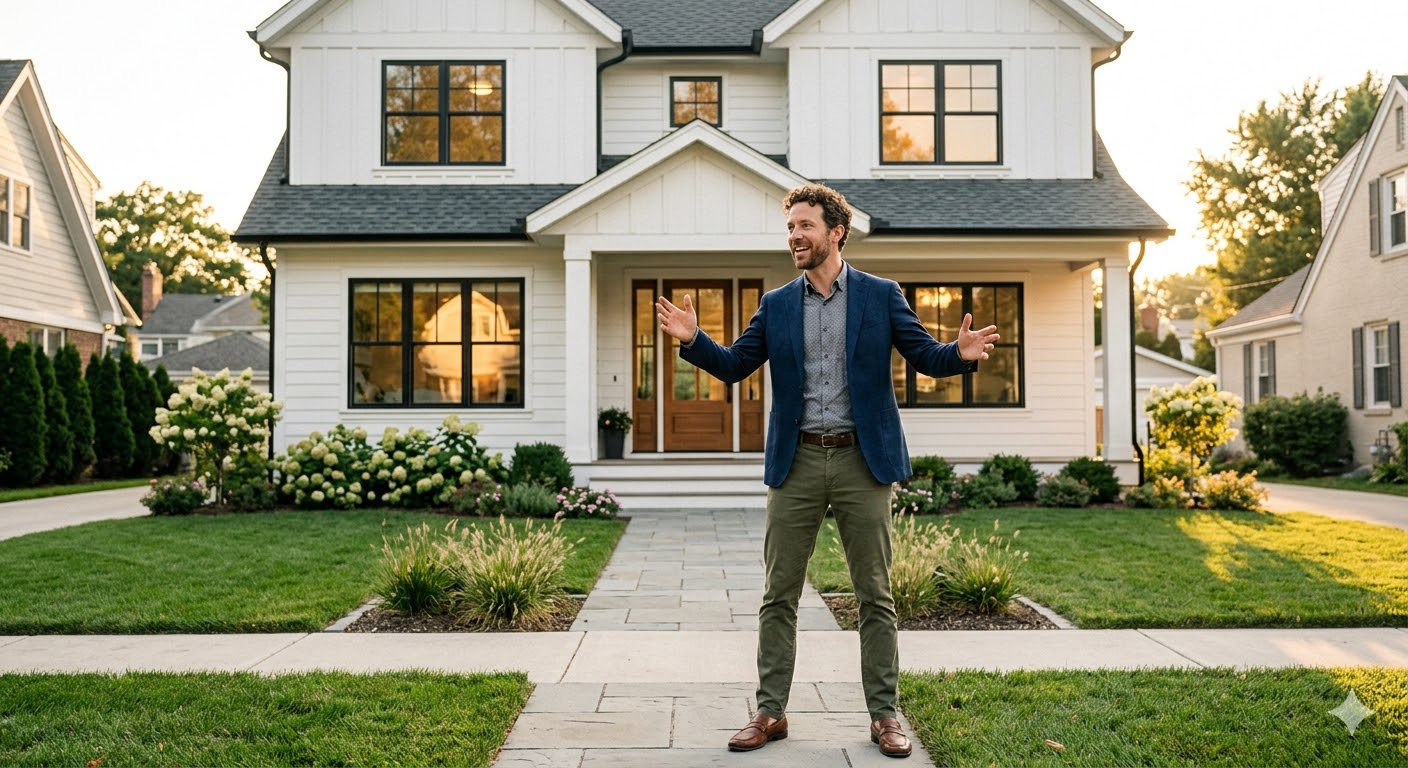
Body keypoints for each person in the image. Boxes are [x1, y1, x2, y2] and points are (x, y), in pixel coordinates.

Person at [656, 183, 999, 759]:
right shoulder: (777, 303)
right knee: (778, 594)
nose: (795, 235)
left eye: (805, 225)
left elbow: (923, 356)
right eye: (790, 226)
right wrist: (695, 341)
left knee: (875, 595)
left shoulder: (880, 295)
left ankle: (885, 716)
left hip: (863, 461)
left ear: (836, 232)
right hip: (798, 461)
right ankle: (770, 712)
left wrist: (958, 354)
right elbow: (737, 365)